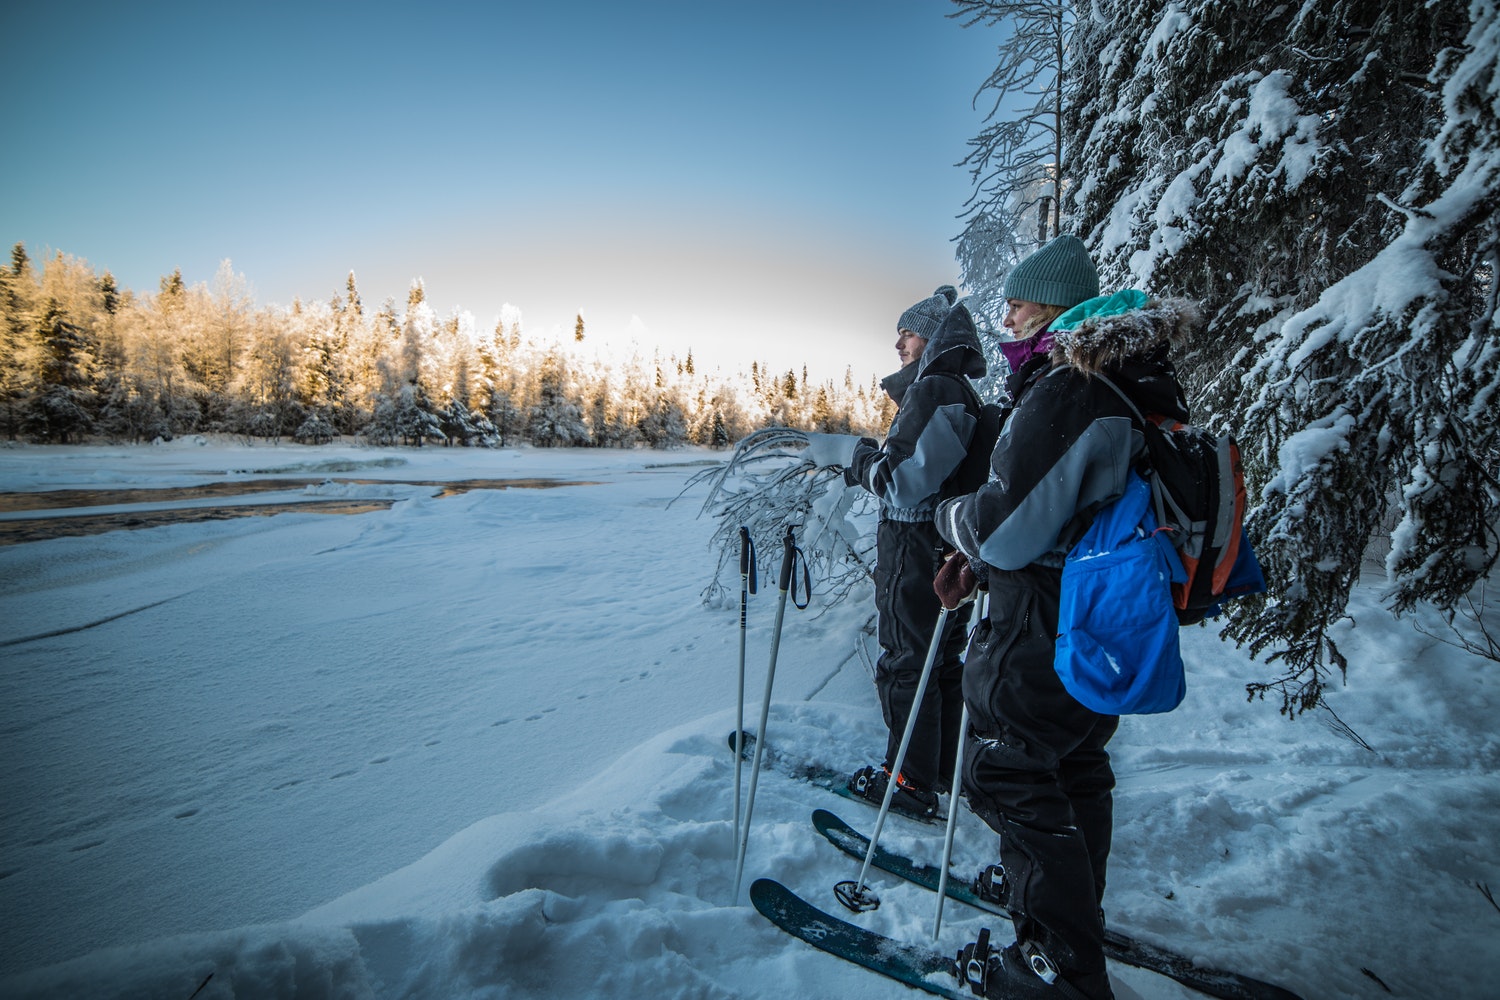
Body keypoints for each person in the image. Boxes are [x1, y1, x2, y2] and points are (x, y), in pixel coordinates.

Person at [934, 235, 1199, 1000]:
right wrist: (985, 562)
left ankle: (1055, 966)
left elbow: (1005, 526)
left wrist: (954, 521)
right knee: (1072, 763)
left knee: (1006, 769)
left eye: (1016, 304)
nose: (1006, 319)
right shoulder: (1118, 378)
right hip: (1091, 606)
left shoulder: (1072, 385)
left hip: (1043, 619)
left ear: (1051, 307)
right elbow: (1065, 508)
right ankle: (1072, 917)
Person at [808, 285, 989, 820]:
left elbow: (903, 483)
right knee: (938, 662)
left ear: (933, 337)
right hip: (944, 547)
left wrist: (852, 454)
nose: (898, 344)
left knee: (906, 663)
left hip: (916, 547)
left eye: (907, 333)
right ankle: (941, 771)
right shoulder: (955, 390)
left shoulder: (935, 388)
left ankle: (908, 781)